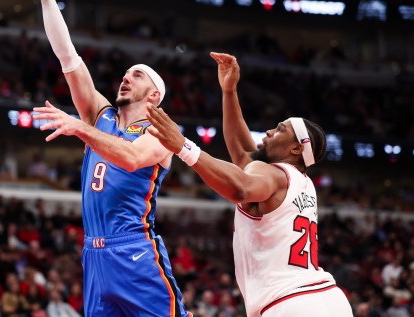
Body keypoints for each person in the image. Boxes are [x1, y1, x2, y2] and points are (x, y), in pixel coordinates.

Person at [18, 0, 191, 317]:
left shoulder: (162, 131)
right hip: (93, 256)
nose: (127, 77)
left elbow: (130, 159)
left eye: (138, 75)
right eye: (127, 73)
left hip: (134, 250)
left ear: (155, 94)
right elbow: (67, 55)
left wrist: (80, 128)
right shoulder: (103, 116)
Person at [145, 52, 354, 317]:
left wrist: (183, 147)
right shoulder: (302, 182)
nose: (268, 132)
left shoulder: (275, 176)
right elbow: (244, 156)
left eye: (279, 129)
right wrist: (229, 92)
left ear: (294, 148)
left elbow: (240, 187)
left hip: (290, 302)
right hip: (327, 298)